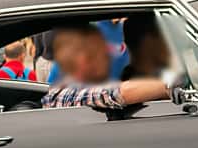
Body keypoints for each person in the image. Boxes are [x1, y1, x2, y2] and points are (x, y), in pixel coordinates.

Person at [42, 24, 170, 110]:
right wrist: (169, 85)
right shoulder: (61, 96)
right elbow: (114, 94)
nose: (108, 56)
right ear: (83, 59)